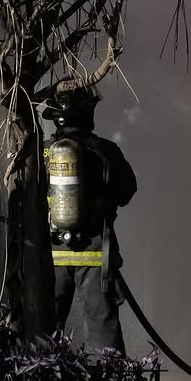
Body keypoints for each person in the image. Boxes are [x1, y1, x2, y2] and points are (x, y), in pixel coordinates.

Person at [43, 85, 137, 352]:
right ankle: (107, 378)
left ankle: (42, 377)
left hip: (51, 256)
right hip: (95, 255)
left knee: (44, 329)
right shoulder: (106, 150)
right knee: (101, 331)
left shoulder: (43, 152)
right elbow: (126, 192)